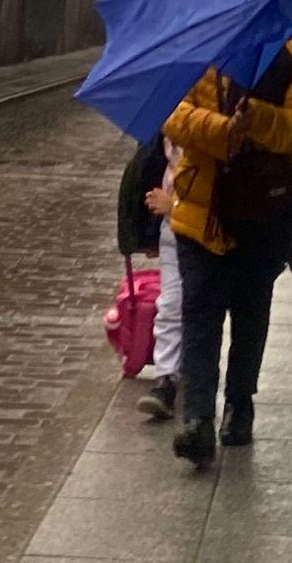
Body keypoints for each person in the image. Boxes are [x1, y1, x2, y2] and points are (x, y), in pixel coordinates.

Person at [162, 32, 292, 465]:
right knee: (200, 312)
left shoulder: (291, 52)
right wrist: (222, 130)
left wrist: (258, 122)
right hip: (202, 210)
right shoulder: (199, 46)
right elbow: (173, 115)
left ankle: (239, 405)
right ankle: (197, 418)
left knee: (251, 312)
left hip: (264, 210)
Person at [136, 138, 183, 419]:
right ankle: (165, 379)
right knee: (171, 305)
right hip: (172, 229)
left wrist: (174, 204)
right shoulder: (168, 115)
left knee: (202, 309)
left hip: (207, 227)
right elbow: (149, 166)